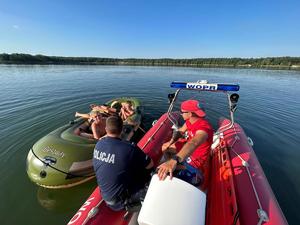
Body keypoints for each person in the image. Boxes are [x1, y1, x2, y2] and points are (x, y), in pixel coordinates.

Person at [93, 116, 153, 211]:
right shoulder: (129, 148)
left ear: (106, 129)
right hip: (120, 201)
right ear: (122, 129)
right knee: (151, 176)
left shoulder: (98, 145)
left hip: (105, 194)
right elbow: (150, 165)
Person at [157, 99, 213, 187]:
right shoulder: (189, 121)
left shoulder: (204, 128)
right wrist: (170, 142)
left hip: (196, 158)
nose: (181, 113)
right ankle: (170, 164)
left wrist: (174, 160)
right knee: (165, 147)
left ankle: (175, 167)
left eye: (182, 112)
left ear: (190, 114)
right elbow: (180, 132)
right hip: (187, 148)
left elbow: (194, 143)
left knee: (163, 170)